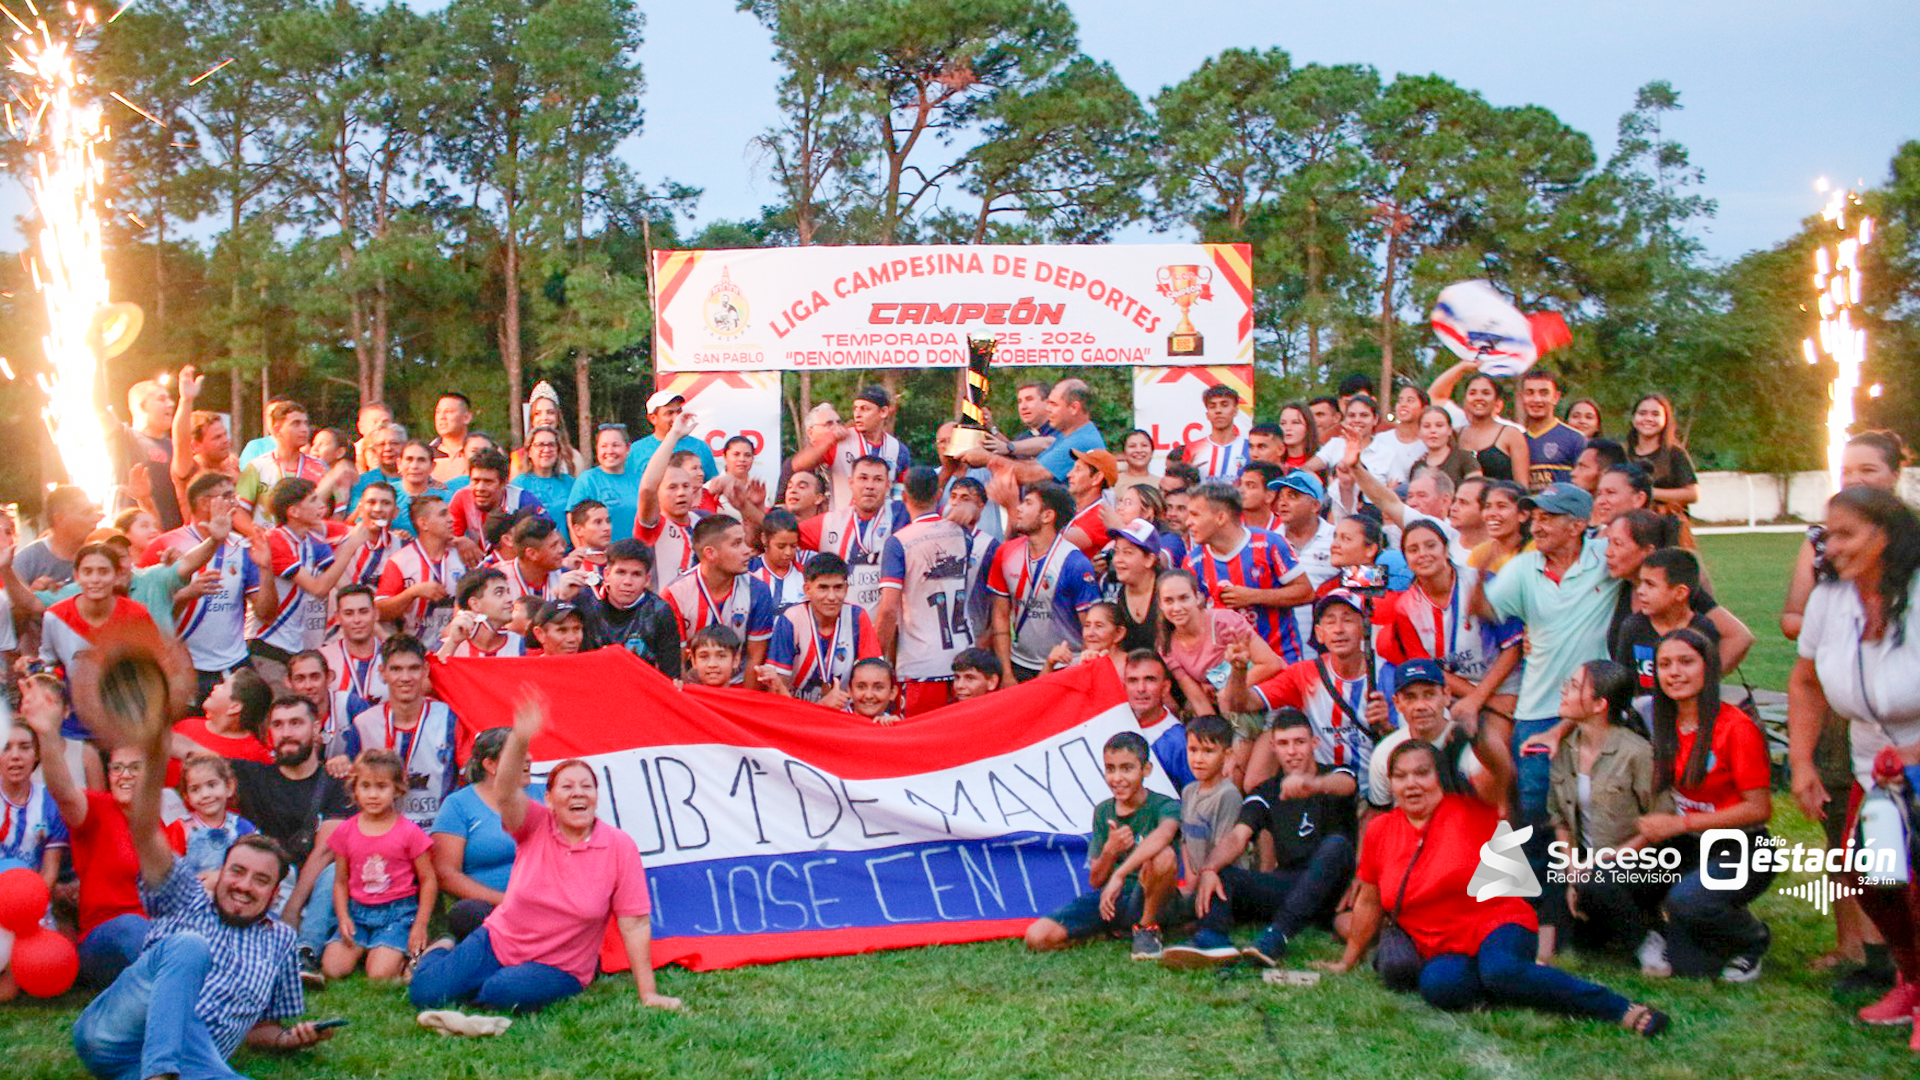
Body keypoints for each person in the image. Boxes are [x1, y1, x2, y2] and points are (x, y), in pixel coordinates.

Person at [1318, 730, 1667, 1036]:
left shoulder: (1472, 808)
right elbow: (1369, 901)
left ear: (1439, 776)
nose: (1411, 784)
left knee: (1502, 969)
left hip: (1498, 921)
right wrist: (1348, 960)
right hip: (1440, 945)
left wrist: (1477, 730)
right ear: (1390, 783)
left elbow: (1502, 772)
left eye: (1422, 773)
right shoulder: (1380, 830)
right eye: (1401, 776)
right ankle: (1521, 983)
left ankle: (1618, 1008)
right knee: (1438, 987)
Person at [70, 711, 332, 1079]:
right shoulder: (188, 899)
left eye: (260, 880)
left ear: (274, 895)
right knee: (188, 945)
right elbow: (148, 839)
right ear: (220, 873)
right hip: (117, 1039)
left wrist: (289, 1038)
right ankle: (162, 1072)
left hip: (187, 1066)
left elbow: (258, 1029)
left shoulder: (282, 944)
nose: (243, 885)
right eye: (237, 872)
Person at [411, 690, 681, 1014]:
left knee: (499, 992)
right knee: (425, 994)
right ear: (549, 799)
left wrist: (648, 992)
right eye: (567, 787)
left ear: (596, 796)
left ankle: (482, 980)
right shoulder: (536, 824)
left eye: (586, 786)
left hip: (561, 965)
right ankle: (444, 950)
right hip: (499, 940)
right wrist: (521, 738)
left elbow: (635, 924)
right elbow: (506, 789)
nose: (578, 793)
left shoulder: (619, 847)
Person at [1787, 486, 1920, 1043]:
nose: (1831, 545)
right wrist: (1801, 763)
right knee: (1870, 873)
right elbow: (1805, 680)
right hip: (1874, 765)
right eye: (1827, 533)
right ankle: (1911, 978)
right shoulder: (1830, 600)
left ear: (1885, 535)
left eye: (1846, 533)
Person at [1485, 482, 1620, 858]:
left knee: (1598, 811)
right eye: (1536, 517)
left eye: (1549, 518)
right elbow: (1485, 611)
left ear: (1577, 526)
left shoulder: (1606, 557)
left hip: (1595, 710)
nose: (1537, 526)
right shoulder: (1525, 567)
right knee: (1535, 815)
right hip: (1537, 710)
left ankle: (1590, 896)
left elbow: (1658, 560)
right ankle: (1543, 907)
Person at [1162, 709, 1357, 969]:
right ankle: (1211, 938)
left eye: (1299, 742)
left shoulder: (1333, 775)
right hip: (1289, 885)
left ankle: (1276, 937)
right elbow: (1237, 836)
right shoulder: (1266, 791)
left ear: (1314, 743)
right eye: (1284, 744)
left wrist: (1312, 784)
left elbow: (1347, 785)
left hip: (1334, 888)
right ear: (1273, 747)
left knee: (1336, 846)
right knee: (1224, 871)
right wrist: (1210, 868)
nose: (1292, 751)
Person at [1637, 628, 1774, 981]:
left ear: (1708, 668)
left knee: (1687, 901)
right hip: (1691, 845)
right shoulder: (1663, 723)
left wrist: (1680, 825)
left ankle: (1753, 940)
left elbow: (1759, 809)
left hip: (1744, 845)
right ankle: (1669, 930)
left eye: (1686, 662)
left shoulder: (1736, 727)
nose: (1674, 672)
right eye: (1664, 664)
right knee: (1615, 878)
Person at [16, 677, 149, 989]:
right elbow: (63, 791)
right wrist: (48, 735)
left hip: (152, 937)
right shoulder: (98, 809)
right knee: (134, 929)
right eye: (117, 768)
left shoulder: (161, 824)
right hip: (103, 940)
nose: (124, 776)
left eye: (134, 768)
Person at [1546, 660, 1669, 959]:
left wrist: (1600, 863)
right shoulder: (1565, 749)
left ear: (1600, 704)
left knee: (1597, 885)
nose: (1564, 691)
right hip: (1587, 863)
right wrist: (1573, 867)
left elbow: (1660, 823)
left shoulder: (1637, 753)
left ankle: (1647, 941)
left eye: (1574, 687)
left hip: (1638, 860)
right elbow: (1559, 817)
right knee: (1577, 937)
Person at [1022, 731, 1180, 960]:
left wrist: (1120, 874)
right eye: (1110, 769)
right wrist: (1109, 850)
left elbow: (1164, 835)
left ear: (1146, 770)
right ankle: (1104, 932)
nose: (1117, 778)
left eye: (1127, 768)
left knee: (1163, 855)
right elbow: (1095, 880)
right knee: (1037, 937)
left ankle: (1147, 930)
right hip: (1112, 901)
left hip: (1147, 895)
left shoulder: (1164, 805)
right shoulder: (1103, 811)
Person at [1226, 590, 1396, 803]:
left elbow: (1410, 743)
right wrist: (1239, 670)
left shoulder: (1388, 675)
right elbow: (1241, 704)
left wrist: (1387, 726)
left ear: (1364, 628)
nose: (1339, 629)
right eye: (1330, 622)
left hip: (1379, 794)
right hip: (1323, 795)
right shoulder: (1303, 674)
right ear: (1319, 633)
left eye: (1348, 620)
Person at [1378, 520, 1523, 724]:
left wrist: (1481, 698)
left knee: (1488, 737)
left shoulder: (1481, 583)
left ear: (1446, 550)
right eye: (1413, 549)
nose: (1422, 554)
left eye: (1430, 545)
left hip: (1504, 685)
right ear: (1407, 560)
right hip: (1452, 692)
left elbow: (1513, 647)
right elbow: (1429, 668)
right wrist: (1482, 700)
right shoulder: (1405, 607)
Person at [320, 749, 436, 982]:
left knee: (379, 975)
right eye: (366, 786)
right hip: (358, 912)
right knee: (332, 969)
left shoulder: (409, 832)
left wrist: (420, 925)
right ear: (355, 788)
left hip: (397, 913)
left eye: (381, 787)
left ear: (397, 789)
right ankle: (372, 948)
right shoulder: (345, 831)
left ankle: (403, 956)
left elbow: (428, 880)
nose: (373, 795)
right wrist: (343, 917)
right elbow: (341, 881)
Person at [879, 467, 987, 714]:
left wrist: (875, 658)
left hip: (921, 666)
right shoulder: (962, 534)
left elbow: (888, 610)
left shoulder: (899, 542)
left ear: (904, 497)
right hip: (963, 662)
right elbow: (967, 518)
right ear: (939, 494)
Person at [1158, 569, 1282, 785]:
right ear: (1160, 605)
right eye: (1169, 600)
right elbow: (1197, 700)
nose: (1176, 607)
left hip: (1269, 702)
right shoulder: (1167, 645)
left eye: (1183, 598)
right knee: (1225, 774)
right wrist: (1220, 741)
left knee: (1247, 781)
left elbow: (1272, 664)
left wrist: (1228, 690)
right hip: (1231, 714)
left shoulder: (1224, 622)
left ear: (1198, 597)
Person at [332, 635, 460, 827]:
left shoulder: (449, 719)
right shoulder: (363, 724)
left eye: (413, 668)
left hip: (438, 831)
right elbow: (350, 782)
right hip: (382, 833)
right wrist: (340, 764)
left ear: (425, 670)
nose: (405, 678)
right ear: (382, 673)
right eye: (396, 669)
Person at [435, 728, 546, 942]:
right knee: (467, 914)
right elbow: (446, 874)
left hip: (546, 901)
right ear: (491, 765)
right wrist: (506, 902)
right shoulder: (458, 805)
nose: (529, 758)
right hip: (490, 908)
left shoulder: (546, 794)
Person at [1183, 480, 1311, 663]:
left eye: (1195, 514)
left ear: (1221, 518)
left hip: (1282, 660)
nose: (1188, 522)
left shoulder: (1270, 544)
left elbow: (1306, 592)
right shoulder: (1192, 563)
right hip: (1231, 668)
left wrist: (1253, 596)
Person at [255, 477, 369, 680]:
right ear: (293, 512)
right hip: (267, 644)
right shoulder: (276, 540)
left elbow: (340, 583)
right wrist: (350, 547)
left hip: (293, 645)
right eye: (313, 500)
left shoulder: (312, 541)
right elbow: (318, 588)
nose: (321, 505)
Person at [986, 483, 1101, 683]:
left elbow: (1090, 628)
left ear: (1047, 516)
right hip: (1019, 664)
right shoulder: (1005, 553)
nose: (1019, 508)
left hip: (1065, 666)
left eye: (1028, 503)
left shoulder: (1075, 563)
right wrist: (1006, 672)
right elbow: (1000, 615)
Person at [1154, 715, 1243, 966]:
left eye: (1208, 751)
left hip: (1222, 881)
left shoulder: (1228, 795)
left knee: (1197, 907)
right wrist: (1191, 876)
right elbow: (1184, 840)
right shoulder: (1189, 791)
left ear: (1226, 755)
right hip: (1195, 879)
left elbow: (1225, 848)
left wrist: (1201, 877)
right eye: (1193, 750)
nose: (1198, 759)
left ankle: (1205, 933)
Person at [660, 514, 774, 686]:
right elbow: (678, 662)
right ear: (710, 553)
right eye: (736, 544)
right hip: (695, 692)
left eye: (744, 541)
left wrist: (741, 705)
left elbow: (754, 658)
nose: (747, 550)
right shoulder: (675, 594)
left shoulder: (758, 590)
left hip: (738, 688)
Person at [762, 553, 881, 704]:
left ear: (846, 588)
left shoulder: (857, 616)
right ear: (807, 589)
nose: (831, 597)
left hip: (843, 710)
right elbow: (777, 689)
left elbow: (873, 675)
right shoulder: (792, 619)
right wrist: (821, 706)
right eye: (823, 588)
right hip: (797, 712)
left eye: (838, 587)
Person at [1611, 548, 1722, 689]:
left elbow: (1709, 684)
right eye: (1641, 583)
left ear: (1680, 593)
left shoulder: (1703, 629)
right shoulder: (1633, 627)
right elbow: (1622, 682)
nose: (1640, 591)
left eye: (1650, 584)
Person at [576, 539, 682, 678]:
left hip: (641, 691)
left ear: (647, 579)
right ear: (607, 574)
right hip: (593, 685)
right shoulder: (586, 602)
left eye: (636, 574)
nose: (627, 582)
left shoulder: (659, 611)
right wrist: (561, 597)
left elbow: (671, 675)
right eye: (621, 572)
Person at [377, 494, 466, 650]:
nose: (451, 519)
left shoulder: (462, 556)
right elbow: (379, 610)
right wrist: (412, 592)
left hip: (453, 651)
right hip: (413, 653)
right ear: (423, 523)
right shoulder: (400, 561)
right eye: (443, 514)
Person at [0, 716, 68, 897]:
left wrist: (26, 905)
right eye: (6, 747)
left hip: (33, 903)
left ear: (37, 753)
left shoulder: (52, 803)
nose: (15, 756)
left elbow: (49, 875)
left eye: (24, 747)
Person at [234, 400, 324, 535]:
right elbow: (238, 511)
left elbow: (331, 511)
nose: (304, 429)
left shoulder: (320, 468)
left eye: (306, 423)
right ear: (277, 429)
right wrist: (259, 536)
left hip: (310, 548)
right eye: (296, 423)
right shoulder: (257, 467)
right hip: (270, 548)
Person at [1430, 363, 1530, 485]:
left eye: (1486, 393)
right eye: (1472, 393)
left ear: (1497, 402)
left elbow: (1522, 486)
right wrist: (1462, 367)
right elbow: (1433, 398)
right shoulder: (1456, 435)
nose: (1479, 397)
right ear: (1465, 400)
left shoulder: (1511, 435)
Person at [115, 375, 182, 529]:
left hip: (170, 535)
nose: (171, 404)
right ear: (142, 406)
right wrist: (98, 358)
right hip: (133, 535)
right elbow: (100, 410)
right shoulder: (124, 439)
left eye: (170, 399)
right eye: (162, 399)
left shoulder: (175, 446)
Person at [174, 667, 275, 766]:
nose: (215, 687)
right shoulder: (185, 726)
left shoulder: (254, 754)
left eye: (223, 686)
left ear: (234, 707)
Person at [566, 424, 644, 543]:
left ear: (627, 448)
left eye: (615, 445)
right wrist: (585, 555)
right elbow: (573, 520)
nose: (609, 451)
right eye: (603, 446)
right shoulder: (588, 480)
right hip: (602, 556)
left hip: (636, 554)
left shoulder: (640, 479)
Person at [16, 485, 102, 588]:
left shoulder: (102, 555)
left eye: (94, 512)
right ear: (60, 518)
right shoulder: (29, 561)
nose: (96, 519)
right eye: (86, 513)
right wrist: (32, 596)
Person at [1626, 393, 1699, 512]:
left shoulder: (1674, 453)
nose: (1648, 419)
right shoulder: (1624, 453)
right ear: (1633, 419)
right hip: (1628, 524)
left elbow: (1693, 494)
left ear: (1666, 420)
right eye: (1642, 413)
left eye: (1656, 414)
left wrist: (1649, 493)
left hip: (1666, 524)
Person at [439, 566, 529, 659]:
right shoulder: (450, 645)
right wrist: (452, 643)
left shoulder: (520, 645)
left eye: (508, 592)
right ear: (475, 604)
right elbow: (435, 671)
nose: (510, 599)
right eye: (499, 593)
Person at [1519, 370, 1587, 488]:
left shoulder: (1575, 439)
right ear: (1522, 397)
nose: (1537, 399)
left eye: (1544, 393)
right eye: (1530, 393)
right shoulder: (1516, 440)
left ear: (1556, 397)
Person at [1176, 383, 1249, 479]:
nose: (1218, 410)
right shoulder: (1193, 448)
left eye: (1224, 405)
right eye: (1212, 406)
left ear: (1235, 411)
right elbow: (1182, 484)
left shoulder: (1248, 448)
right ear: (1207, 414)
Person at [748, 508, 808, 610]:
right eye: (781, 546)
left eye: (793, 546)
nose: (788, 552)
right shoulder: (749, 572)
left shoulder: (805, 575)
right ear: (764, 539)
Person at [1415, 405, 1480, 487]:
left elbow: (1477, 490)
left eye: (1439, 425)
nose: (1433, 430)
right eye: (1426, 426)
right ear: (1419, 432)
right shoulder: (1417, 467)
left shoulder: (1465, 459)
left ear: (1449, 430)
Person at [427, 392, 475, 483]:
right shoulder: (427, 453)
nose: (442, 417)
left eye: (448, 412)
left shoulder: (480, 450)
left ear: (467, 417)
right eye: (438, 412)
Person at [1276, 403, 1320, 471]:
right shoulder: (1273, 463)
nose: (1288, 428)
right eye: (1283, 423)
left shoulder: (1321, 460)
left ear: (1308, 427)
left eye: (1295, 422)